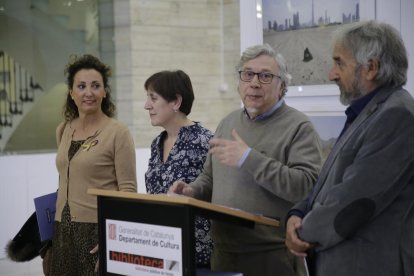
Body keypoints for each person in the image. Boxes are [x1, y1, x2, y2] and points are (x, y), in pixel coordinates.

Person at [170, 44, 323, 276]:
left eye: (265, 76)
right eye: (248, 74)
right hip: (223, 255)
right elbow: (209, 178)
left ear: (282, 85)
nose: (254, 83)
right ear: (239, 81)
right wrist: (191, 191)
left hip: (272, 256)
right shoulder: (228, 122)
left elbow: (306, 187)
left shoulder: (299, 126)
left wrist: (249, 159)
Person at [285, 20, 414, 276]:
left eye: (339, 63)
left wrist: (301, 232)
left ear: (371, 68)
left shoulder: (396, 116)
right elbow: (330, 181)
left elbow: (354, 200)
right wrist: (298, 211)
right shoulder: (367, 112)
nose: (332, 73)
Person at [44, 54, 137, 275]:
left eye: (96, 86)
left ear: (105, 92)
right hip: (62, 231)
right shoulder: (63, 130)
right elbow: (64, 182)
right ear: (71, 93)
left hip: (97, 233)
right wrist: (49, 238)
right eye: (81, 86)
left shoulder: (118, 132)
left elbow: (128, 191)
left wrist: (112, 241)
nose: (89, 92)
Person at [144, 70, 214, 268]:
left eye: (153, 98)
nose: (146, 105)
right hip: (160, 248)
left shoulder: (206, 141)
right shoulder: (156, 143)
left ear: (175, 102)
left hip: (196, 255)